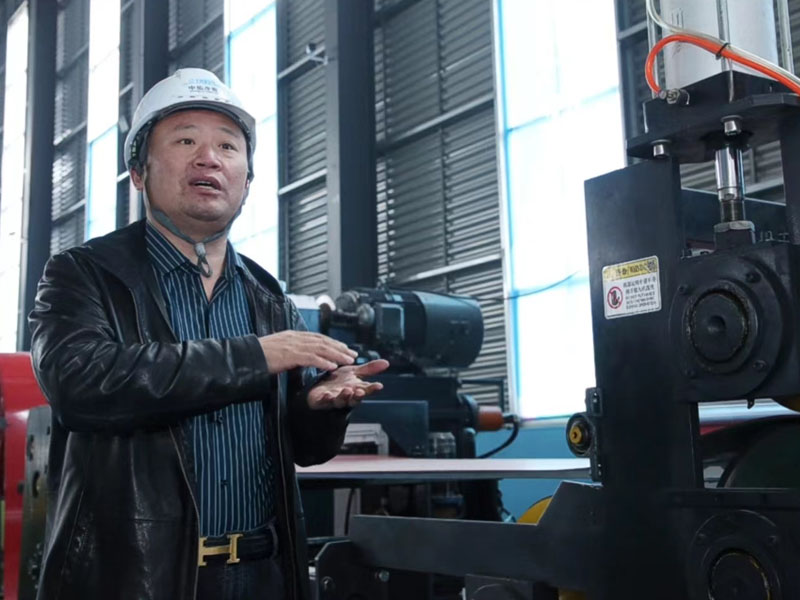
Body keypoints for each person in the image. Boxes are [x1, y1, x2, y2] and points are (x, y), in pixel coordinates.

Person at [28, 67, 389, 600]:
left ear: (247, 181)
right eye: (185, 141)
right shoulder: (85, 274)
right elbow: (80, 384)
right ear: (139, 173)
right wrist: (254, 357)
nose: (209, 158)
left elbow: (304, 452)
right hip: (138, 576)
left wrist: (319, 408)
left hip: (263, 574)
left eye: (227, 146)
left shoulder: (267, 297)